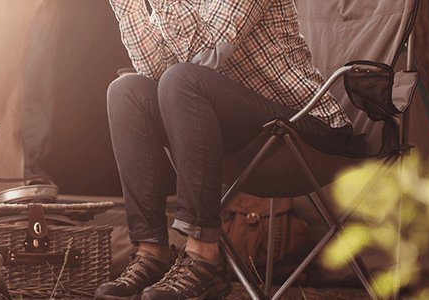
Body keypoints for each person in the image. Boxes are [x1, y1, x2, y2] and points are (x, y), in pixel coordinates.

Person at [97, 0, 353, 299]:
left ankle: (204, 253)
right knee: (127, 91)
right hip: (250, 134)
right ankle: (151, 251)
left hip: (307, 128)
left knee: (182, 78)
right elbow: (154, 71)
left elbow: (203, 56)